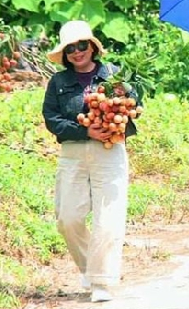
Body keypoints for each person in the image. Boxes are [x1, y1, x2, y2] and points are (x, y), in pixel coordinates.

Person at [42, 20, 139, 303]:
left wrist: (122, 102)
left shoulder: (113, 75)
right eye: (70, 48)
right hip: (72, 153)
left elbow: (132, 106)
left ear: (92, 47)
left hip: (108, 153)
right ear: (64, 54)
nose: (77, 52)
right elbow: (52, 119)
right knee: (68, 218)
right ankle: (89, 268)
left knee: (108, 218)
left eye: (81, 45)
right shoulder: (58, 82)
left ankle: (102, 281)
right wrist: (85, 130)